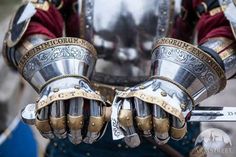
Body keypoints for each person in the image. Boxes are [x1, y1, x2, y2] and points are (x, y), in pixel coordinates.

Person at [2, 0, 236, 156]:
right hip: (80, 122)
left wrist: (173, 89)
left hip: (168, 123)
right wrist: (60, 82)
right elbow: (25, 28)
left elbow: (228, 29)